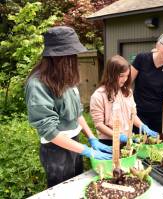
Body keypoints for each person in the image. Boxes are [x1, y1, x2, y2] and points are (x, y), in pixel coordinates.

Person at [25, 26, 112, 188]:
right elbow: (50, 131)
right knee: (63, 191)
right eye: (71, 55)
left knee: (78, 186)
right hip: (55, 149)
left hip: (75, 142)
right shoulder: (37, 84)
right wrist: (87, 151)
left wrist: (91, 138)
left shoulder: (65, 77)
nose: (75, 59)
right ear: (57, 57)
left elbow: (77, 112)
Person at [90, 55, 157, 146]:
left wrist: (142, 126)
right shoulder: (99, 95)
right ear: (111, 75)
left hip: (127, 139)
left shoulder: (127, 92)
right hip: (109, 142)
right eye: (121, 76)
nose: (125, 79)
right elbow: (99, 125)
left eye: (127, 76)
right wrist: (118, 136)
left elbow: (132, 115)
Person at [131, 31, 163, 133]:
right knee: (138, 143)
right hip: (138, 111)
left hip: (158, 113)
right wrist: (128, 105)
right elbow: (127, 83)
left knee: (157, 143)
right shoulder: (142, 58)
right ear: (158, 45)